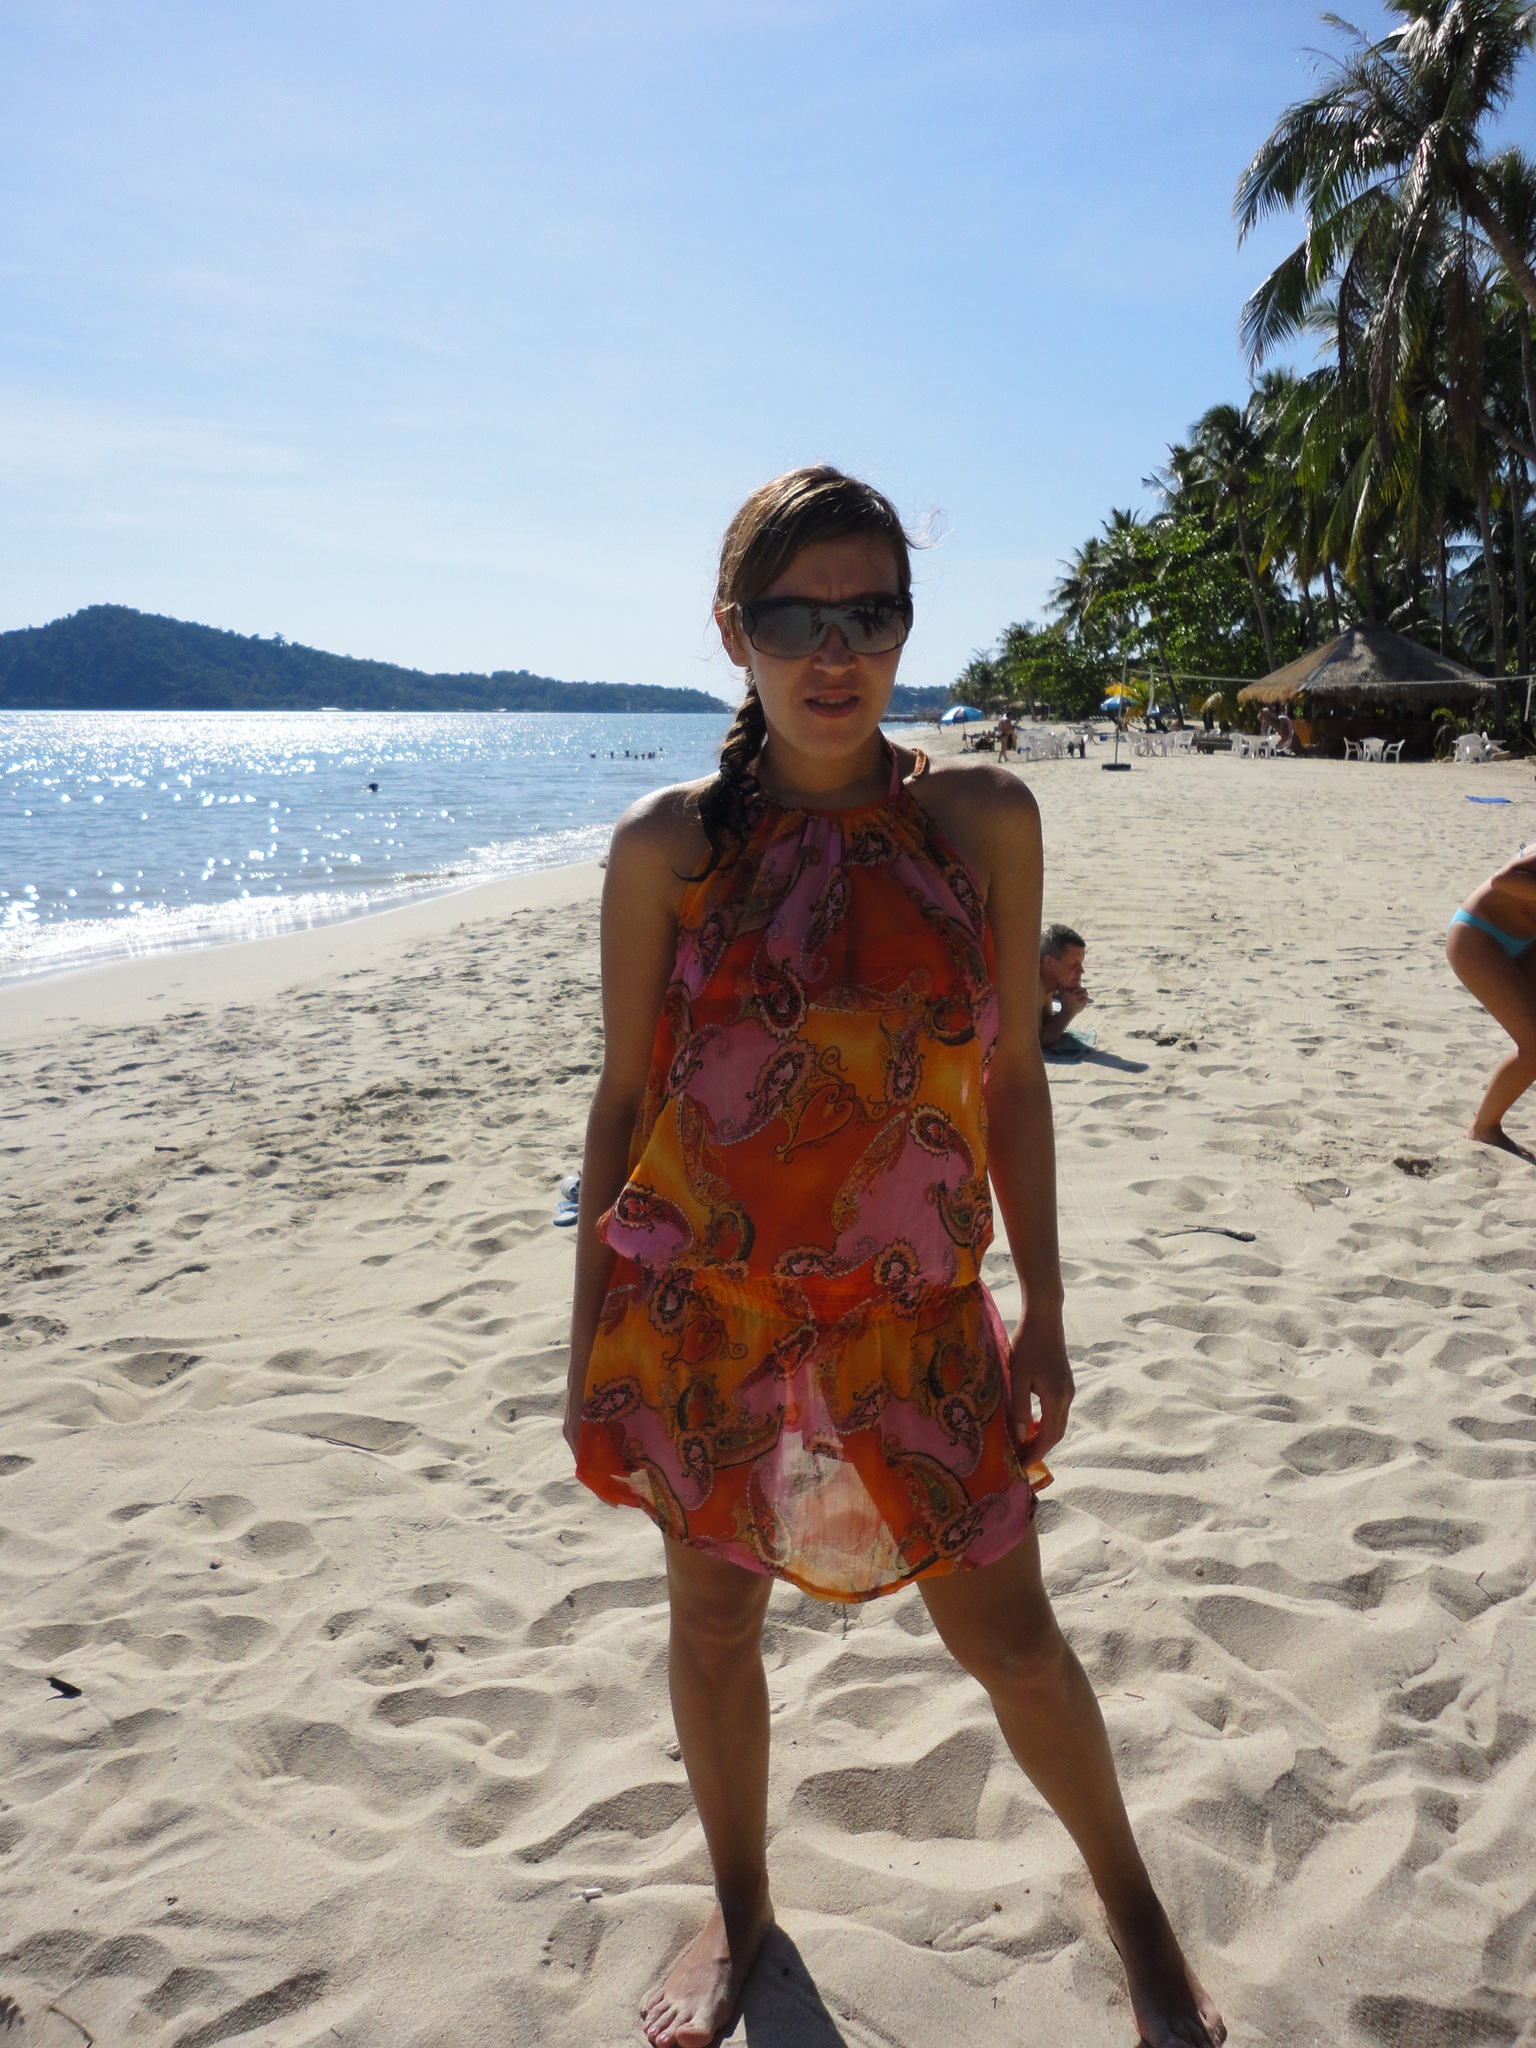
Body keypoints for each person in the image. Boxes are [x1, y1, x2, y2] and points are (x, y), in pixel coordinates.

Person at [563, 465, 1224, 2048]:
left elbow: (1013, 1082)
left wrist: (1045, 1310)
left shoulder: (978, 820)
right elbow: (623, 1100)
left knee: (1013, 1639)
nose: (836, 650)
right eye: (796, 616)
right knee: (712, 1625)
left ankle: (1136, 1912)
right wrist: (585, 1343)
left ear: (909, 628)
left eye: (872, 612)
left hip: (915, 1317)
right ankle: (741, 1912)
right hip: (705, 1317)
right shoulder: (670, 848)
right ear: (733, 632)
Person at [1446, 843, 1536, 1159]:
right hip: (1478, 936)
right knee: (1534, 1047)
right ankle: (1484, 1129)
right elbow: (1503, 879)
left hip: (1528, 939)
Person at [1039, 922, 1090, 1047]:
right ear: (1049, 962)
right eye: (1074, 964)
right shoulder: (1034, 986)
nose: (1081, 971)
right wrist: (1068, 1012)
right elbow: (1037, 1041)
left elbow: (1045, 1023)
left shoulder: (1047, 984)